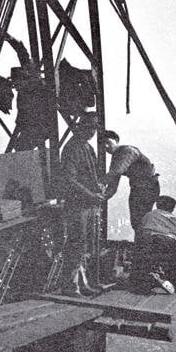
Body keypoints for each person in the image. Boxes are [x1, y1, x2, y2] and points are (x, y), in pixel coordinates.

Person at [59, 112, 104, 296]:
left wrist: (98, 188)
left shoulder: (86, 146)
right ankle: (70, 286)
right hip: (78, 205)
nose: (92, 131)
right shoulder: (73, 148)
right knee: (76, 244)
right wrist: (91, 194)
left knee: (83, 245)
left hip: (87, 204)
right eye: (89, 127)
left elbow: (91, 174)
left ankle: (81, 283)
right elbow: (69, 179)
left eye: (94, 128)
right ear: (81, 126)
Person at [132, 195, 176, 305]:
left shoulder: (149, 215)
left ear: (157, 205)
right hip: (169, 242)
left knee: (142, 266)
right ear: (172, 209)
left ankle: (151, 274)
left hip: (149, 239)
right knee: (173, 269)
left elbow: (139, 233)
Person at [101, 130, 160, 235]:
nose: (105, 146)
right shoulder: (116, 157)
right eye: (102, 144)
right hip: (139, 188)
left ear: (116, 140)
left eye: (108, 142)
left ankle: (143, 247)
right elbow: (113, 186)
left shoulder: (128, 151)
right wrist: (102, 197)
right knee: (137, 222)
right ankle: (140, 246)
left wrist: (97, 183)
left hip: (147, 188)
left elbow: (117, 171)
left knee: (142, 221)